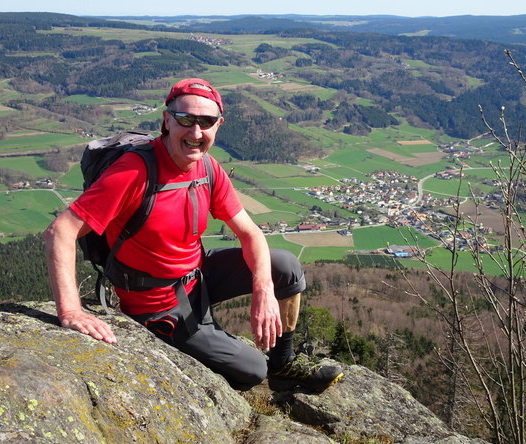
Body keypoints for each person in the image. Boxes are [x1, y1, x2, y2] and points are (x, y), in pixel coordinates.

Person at [44, 78, 343, 392]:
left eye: (206, 122)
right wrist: (70, 311)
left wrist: (263, 287)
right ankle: (217, 358)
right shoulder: (134, 172)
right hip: (158, 304)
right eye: (185, 120)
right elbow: (60, 231)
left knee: (284, 266)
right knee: (253, 370)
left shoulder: (208, 169)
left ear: (219, 125)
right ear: (167, 120)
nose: (196, 132)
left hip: (196, 276)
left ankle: (283, 365)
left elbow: (250, 232)